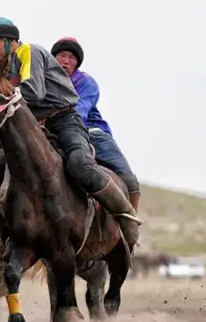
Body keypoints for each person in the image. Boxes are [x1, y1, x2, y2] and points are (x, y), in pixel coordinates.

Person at [0, 18, 141, 245]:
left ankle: (126, 217)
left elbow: (31, 92)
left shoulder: (28, 52)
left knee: (80, 165)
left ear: (11, 41)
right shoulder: (3, 67)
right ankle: (9, 236)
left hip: (67, 121)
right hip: (35, 127)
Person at [50, 36, 140, 214]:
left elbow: (79, 112)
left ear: (77, 63)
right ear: (53, 58)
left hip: (91, 132)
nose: (66, 61)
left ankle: (130, 224)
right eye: (62, 55)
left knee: (129, 180)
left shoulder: (85, 82)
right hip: (52, 130)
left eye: (72, 57)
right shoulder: (43, 81)